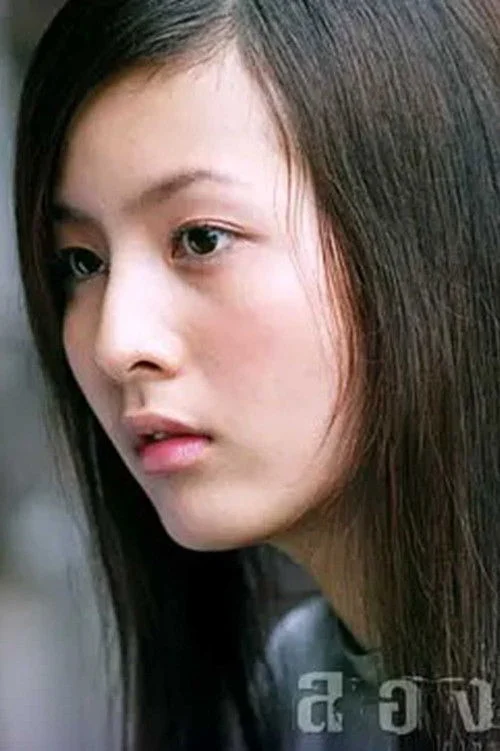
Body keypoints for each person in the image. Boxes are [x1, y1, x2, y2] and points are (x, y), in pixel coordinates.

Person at [13, 1, 500, 749]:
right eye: (82, 261)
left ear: (424, 237)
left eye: (201, 239)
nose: (115, 342)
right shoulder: (293, 689)